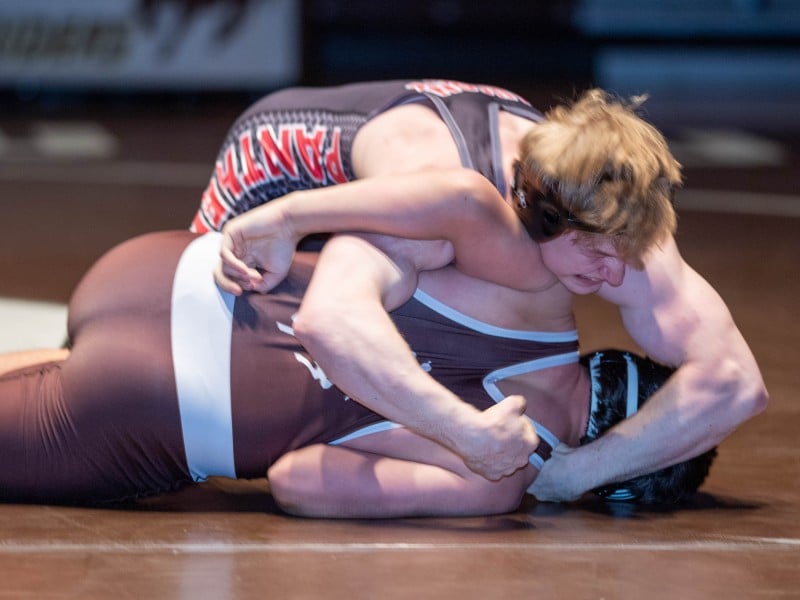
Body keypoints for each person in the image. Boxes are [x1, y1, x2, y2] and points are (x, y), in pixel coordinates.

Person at [212, 86, 768, 502]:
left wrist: (579, 471)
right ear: (546, 221)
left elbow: (736, 381)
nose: (617, 277)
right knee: (258, 321)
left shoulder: (599, 209)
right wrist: (289, 217)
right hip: (276, 165)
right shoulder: (441, 178)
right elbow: (330, 318)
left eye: (628, 253)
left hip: (469, 175)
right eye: (600, 254)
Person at [0, 230, 713, 517]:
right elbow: (298, 481)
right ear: (614, 480)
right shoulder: (498, 477)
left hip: (177, 265)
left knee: (65, 365)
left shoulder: (536, 291)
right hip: (160, 403)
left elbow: (402, 219)